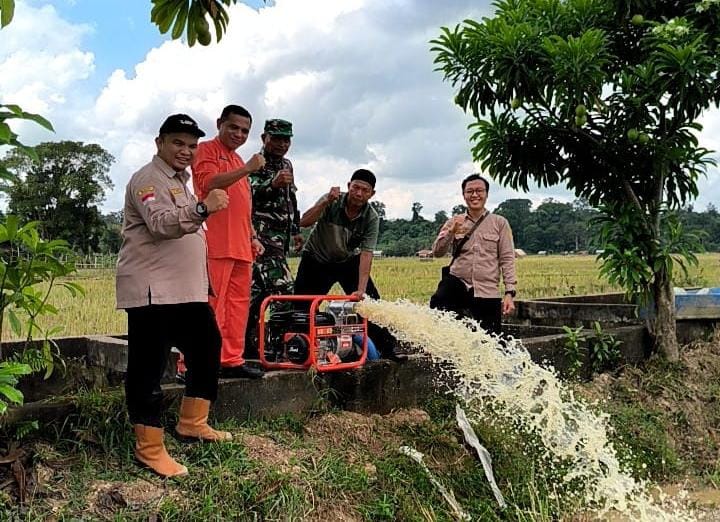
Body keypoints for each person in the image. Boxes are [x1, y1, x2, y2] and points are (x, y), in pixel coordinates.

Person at [116, 114, 232, 478]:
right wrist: (203, 208)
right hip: (154, 291)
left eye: (192, 145)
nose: (186, 151)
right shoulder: (148, 180)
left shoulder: (181, 181)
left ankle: (192, 423)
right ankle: (149, 447)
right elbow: (161, 223)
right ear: (159, 143)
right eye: (178, 143)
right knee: (148, 367)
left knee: (207, 346)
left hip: (184, 292)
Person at [295, 169, 406, 361]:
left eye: (365, 190)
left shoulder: (371, 217)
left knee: (371, 303)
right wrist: (325, 201)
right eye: (355, 188)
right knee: (300, 306)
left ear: (372, 194)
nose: (359, 193)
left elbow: (366, 254)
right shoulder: (332, 201)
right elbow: (303, 222)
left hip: (347, 261)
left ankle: (388, 347)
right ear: (348, 186)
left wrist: (361, 290)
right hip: (316, 258)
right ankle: (298, 348)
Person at [192, 105, 267, 379]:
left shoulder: (237, 160)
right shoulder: (206, 150)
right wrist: (247, 168)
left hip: (241, 247)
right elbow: (208, 183)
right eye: (233, 127)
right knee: (211, 306)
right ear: (219, 124)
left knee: (237, 306)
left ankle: (231, 359)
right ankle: (193, 364)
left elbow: (242, 207)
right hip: (215, 244)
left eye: (244, 130)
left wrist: (253, 237)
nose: (238, 134)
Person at [430, 174, 517, 335]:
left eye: (479, 191)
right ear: (464, 195)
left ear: (486, 194)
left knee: (492, 340)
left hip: (487, 289)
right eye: (470, 191)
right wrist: (451, 232)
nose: (475, 195)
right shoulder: (454, 221)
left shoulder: (499, 223)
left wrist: (509, 293)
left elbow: (507, 258)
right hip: (458, 283)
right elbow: (437, 252)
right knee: (439, 301)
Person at [246, 119, 302, 356]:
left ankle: (246, 348)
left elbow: (292, 199)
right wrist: (272, 183)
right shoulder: (255, 163)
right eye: (276, 138)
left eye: (286, 139)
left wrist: (297, 230)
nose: (281, 144)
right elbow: (247, 194)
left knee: (255, 295)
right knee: (285, 291)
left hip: (281, 240)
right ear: (264, 138)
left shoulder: (287, 164)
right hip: (261, 239)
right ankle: (283, 347)